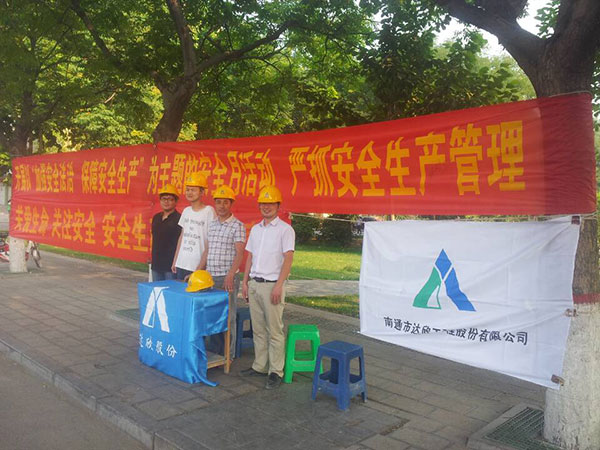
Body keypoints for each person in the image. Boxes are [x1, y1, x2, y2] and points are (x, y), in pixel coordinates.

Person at [241, 185, 295, 389]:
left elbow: (288, 259)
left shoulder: (285, 230)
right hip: (255, 284)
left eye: (270, 203)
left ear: (278, 206)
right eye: (263, 203)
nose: (266, 207)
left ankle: (276, 371)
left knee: (274, 330)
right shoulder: (256, 229)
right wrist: (245, 282)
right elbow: (250, 256)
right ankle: (260, 365)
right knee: (258, 329)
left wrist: (279, 286)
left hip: (272, 285)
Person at [202, 185, 245, 359]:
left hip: (227, 278)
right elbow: (207, 250)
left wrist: (231, 275)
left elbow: (240, 253)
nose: (221, 206)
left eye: (225, 202)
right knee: (212, 316)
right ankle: (215, 351)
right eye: (218, 202)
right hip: (210, 278)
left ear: (231, 204)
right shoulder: (212, 224)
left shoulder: (237, 225)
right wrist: (197, 272)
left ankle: (229, 355)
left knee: (228, 317)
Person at [171, 172, 216, 280]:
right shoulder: (186, 211)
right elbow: (182, 237)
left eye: (193, 190)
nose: (190, 192)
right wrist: (175, 260)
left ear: (202, 192)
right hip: (181, 263)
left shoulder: (209, 211)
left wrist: (200, 267)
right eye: (188, 190)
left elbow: (210, 241)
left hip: (196, 265)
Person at [151, 184, 181, 281]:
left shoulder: (179, 219)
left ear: (176, 201)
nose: (166, 202)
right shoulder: (156, 218)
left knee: (170, 289)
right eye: (164, 199)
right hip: (156, 265)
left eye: (170, 199)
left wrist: (175, 263)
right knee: (156, 289)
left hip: (171, 267)